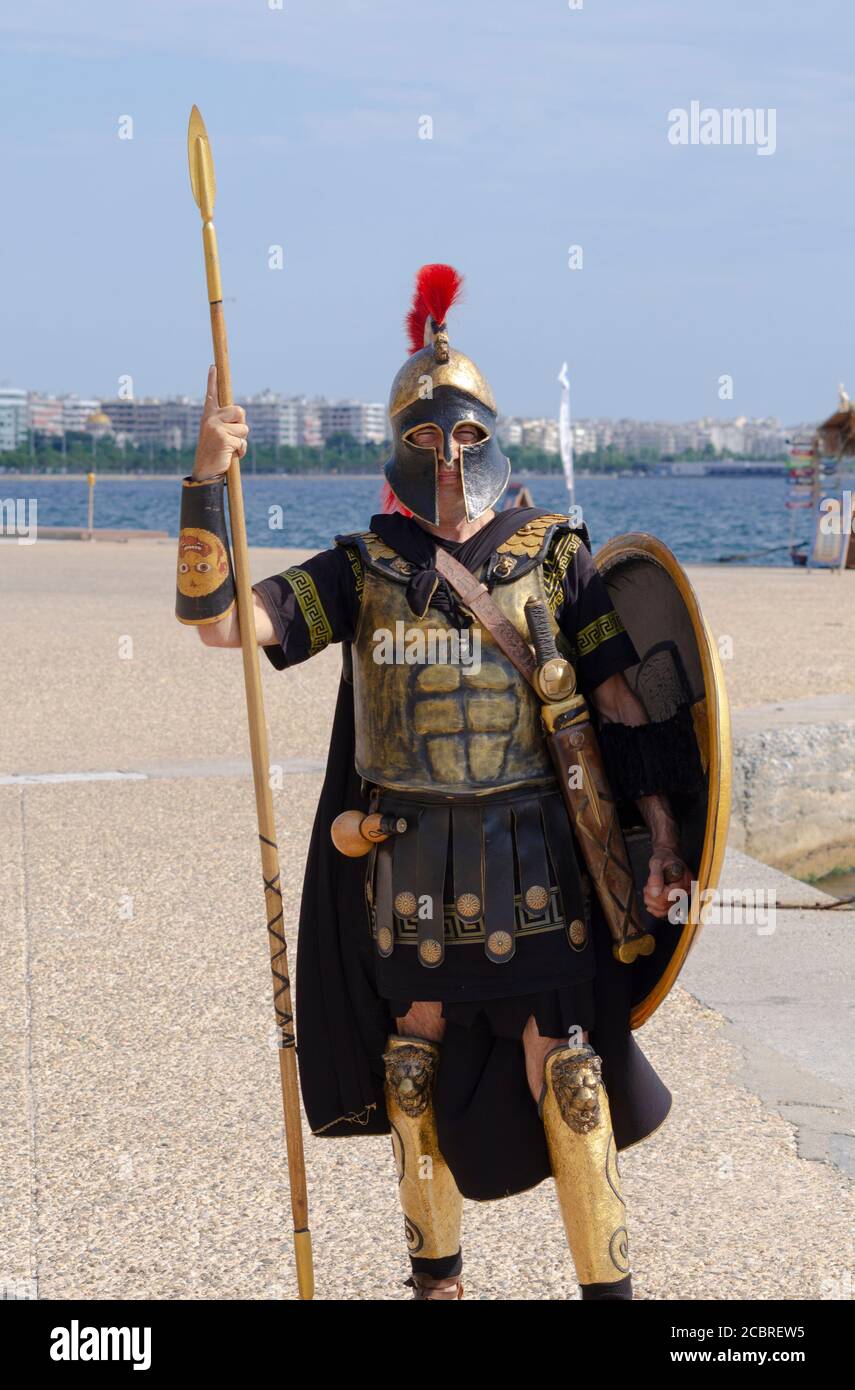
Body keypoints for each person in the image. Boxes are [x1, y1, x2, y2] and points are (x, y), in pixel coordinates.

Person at [175, 265, 700, 1300]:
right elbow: (224, 624)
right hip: (405, 866)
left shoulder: (557, 556)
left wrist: (664, 839)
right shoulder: (363, 565)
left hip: (540, 858)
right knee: (411, 1069)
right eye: (426, 437)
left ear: (493, 436)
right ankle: (437, 1284)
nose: (450, 457)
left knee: (570, 1076)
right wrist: (204, 476)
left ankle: (611, 1295)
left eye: (465, 435)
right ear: (399, 449)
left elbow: (623, 708)